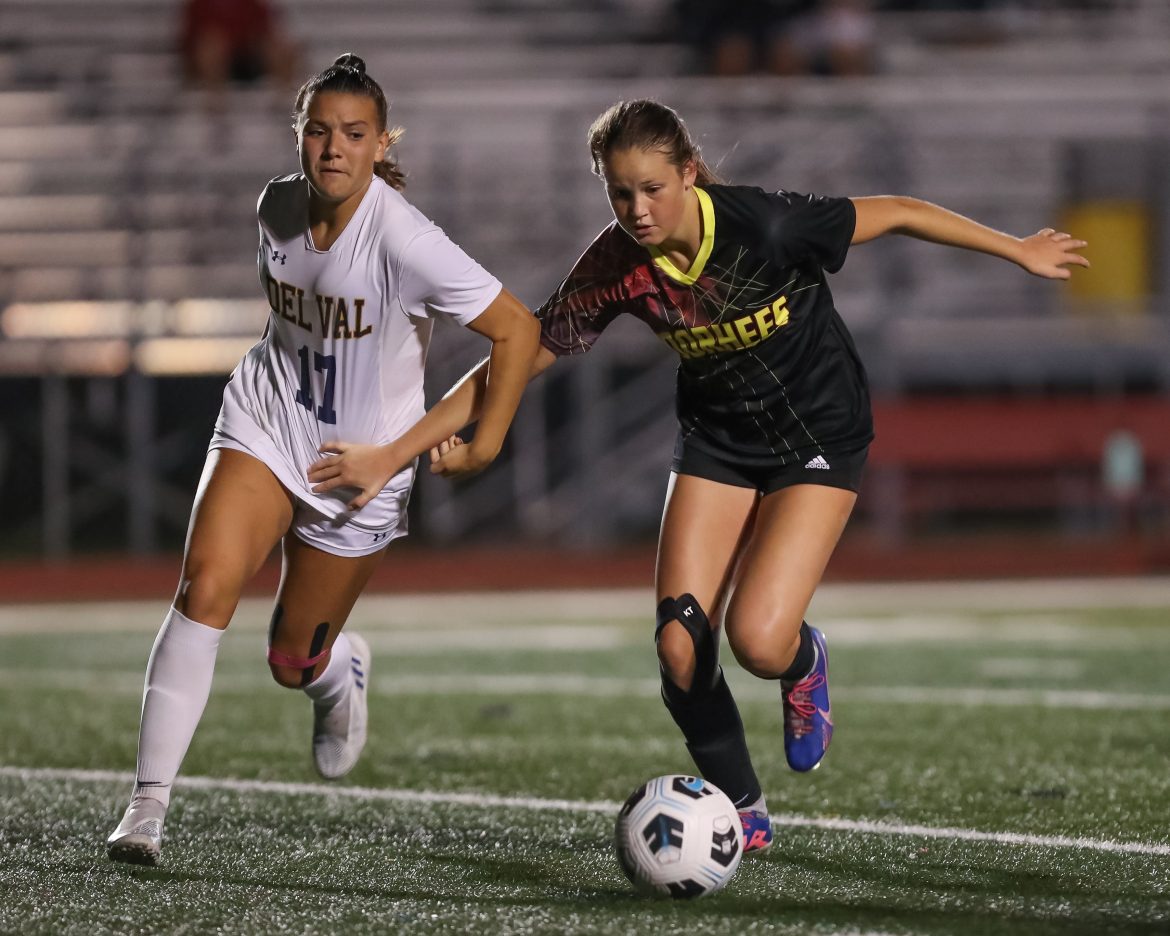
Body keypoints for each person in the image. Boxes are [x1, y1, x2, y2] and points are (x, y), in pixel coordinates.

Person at [424, 99, 1088, 854]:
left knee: (759, 642)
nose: (637, 210)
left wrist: (1018, 249)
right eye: (620, 193)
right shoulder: (618, 264)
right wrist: (406, 445)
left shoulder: (765, 224)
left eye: (652, 188)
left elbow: (900, 211)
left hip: (818, 431)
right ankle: (741, 809)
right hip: (719, 441)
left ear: (689, 173)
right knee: (679, 647)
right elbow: (522, 352)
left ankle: (804, 661)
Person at [105, 53, 540, 865]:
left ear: (382, 144)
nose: (334, 147)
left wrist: (479, 445)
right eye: (318, 131)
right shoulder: (275, 205)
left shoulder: (405, 240)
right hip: (267, 422)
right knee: (204, 586)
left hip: (361, 465)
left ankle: (338, 673)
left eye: (354, 133)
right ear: (298, 135)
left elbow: (520, 330)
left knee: (291, 660)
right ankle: (146, 808)